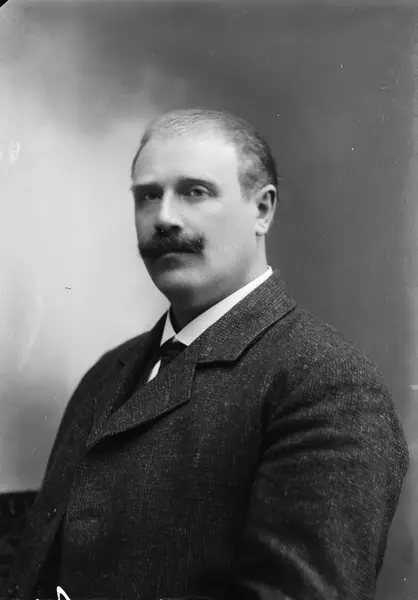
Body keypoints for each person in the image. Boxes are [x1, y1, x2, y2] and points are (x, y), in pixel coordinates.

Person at [4, 109, 409, 600]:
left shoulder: (326, 385)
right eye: (148, 195)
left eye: (195, 192)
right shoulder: (107, 374)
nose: (164, 218)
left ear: (262, 210)